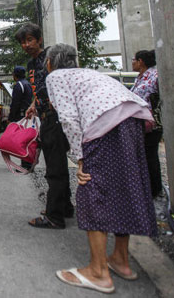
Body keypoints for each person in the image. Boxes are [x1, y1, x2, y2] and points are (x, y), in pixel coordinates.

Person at [43, 44, 157, 294]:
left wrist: (79, 158)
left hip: (105, 124)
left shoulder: (55, 77)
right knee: (122, 188)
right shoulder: (86, 74)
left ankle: (98, 272)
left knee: (91, 187)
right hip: (133, 120)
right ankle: (120, 260)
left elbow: (69, 119)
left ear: (50, 63)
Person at [14, 23, 73, 229]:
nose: (26, 45)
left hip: (55, 116)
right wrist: (33, 105)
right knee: (57, 164)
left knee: (54, 169)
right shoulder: (31, 65)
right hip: (46, 115)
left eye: (29, 40)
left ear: (39, 39)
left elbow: (62, 83)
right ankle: (65, 207)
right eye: (23, 42)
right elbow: (39, 90)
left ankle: (54, 216)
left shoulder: (51, 56)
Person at [130, 49, 163, 198]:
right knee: (144, 155)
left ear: (140, 61)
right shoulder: (140, 77)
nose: (132, 63)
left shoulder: (154, 76)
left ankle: (155, 190)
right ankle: (148, 187)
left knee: (150, 156)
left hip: (151, 123)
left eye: (134, 60)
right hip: (141, 124)